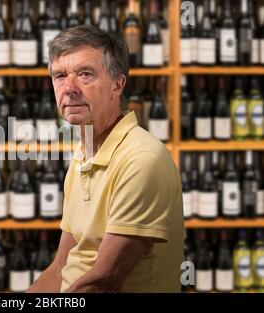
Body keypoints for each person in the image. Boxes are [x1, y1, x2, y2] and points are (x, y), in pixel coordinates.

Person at [27, 25, 184, 293]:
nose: (69, 88)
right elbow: (61, 267)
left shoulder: (141, 160)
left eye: (85, 74)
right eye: (60, 75)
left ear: (117, 84)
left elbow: (102, 284)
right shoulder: (83, 154)